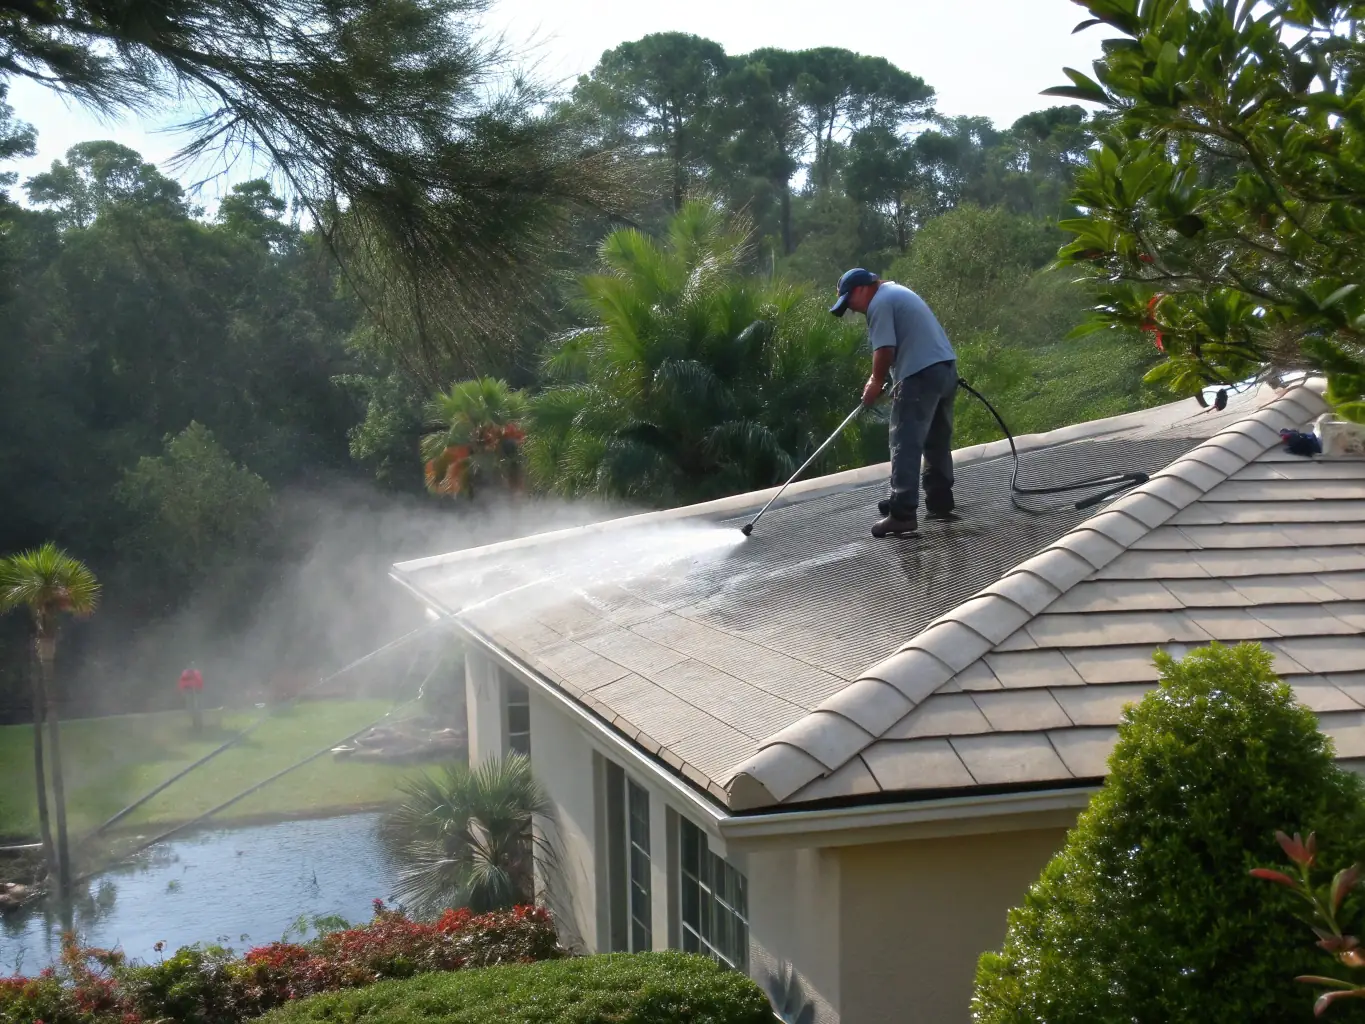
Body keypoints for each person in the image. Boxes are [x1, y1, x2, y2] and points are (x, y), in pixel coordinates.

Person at [830, 268, 958, 538]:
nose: (852, 309)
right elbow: (906, 345)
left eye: (849, 301)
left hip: (921, 374)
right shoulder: (897, 292)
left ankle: (902, 512)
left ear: (862, 289)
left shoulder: (879, 303)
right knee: (936, 439)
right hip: (944, 370)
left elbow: (885, 349)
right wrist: (893, 379)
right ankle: (939, 500)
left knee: (904, 440)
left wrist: (875, 383)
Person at [178, 663, 204, 733]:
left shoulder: (196, 673)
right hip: (189, 691)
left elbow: (200, 681)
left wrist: (199, 689)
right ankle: (192, 724)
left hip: (196, 691)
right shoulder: (185, 673)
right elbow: (182, 682)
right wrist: (183, 690)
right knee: (190, 707)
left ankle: (198, 724)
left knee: (197, 708)